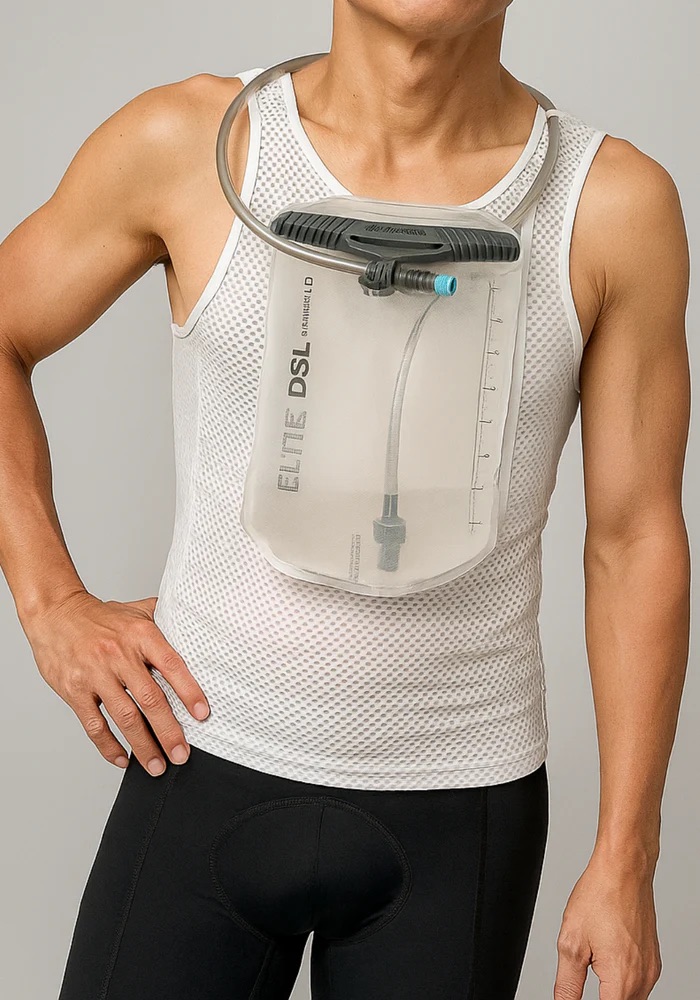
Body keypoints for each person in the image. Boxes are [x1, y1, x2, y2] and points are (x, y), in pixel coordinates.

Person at [0, 2, 691, 999]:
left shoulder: (610, 206)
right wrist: (51, 603)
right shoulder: (193, 145)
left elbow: (634, 536)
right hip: (201, 757)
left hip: (460, 802)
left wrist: (627, 855)